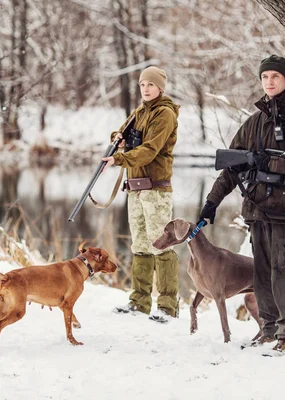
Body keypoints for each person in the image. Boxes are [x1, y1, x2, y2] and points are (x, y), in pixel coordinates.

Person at [199, 55, 285, 352]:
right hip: (257, 208)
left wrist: (271, 162)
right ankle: (268, 328)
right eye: (265, 77)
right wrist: (212, 202)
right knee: (262, 271)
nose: (269, 82)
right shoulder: (253, 123)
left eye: (276, 77)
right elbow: (232, 167)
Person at [102, 66, 180, 323]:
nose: (145, 89)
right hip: (135, 188)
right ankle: (139, 302)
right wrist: (119, 139)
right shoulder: (140, 111)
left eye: (150, 85)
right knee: (141, 245)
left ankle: (168, 306)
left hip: (156, 188)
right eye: (142, 84)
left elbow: (149, 150)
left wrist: (118, 158)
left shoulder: (164, 113)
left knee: (161, 245)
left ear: (160, 88)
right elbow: (119, 132)